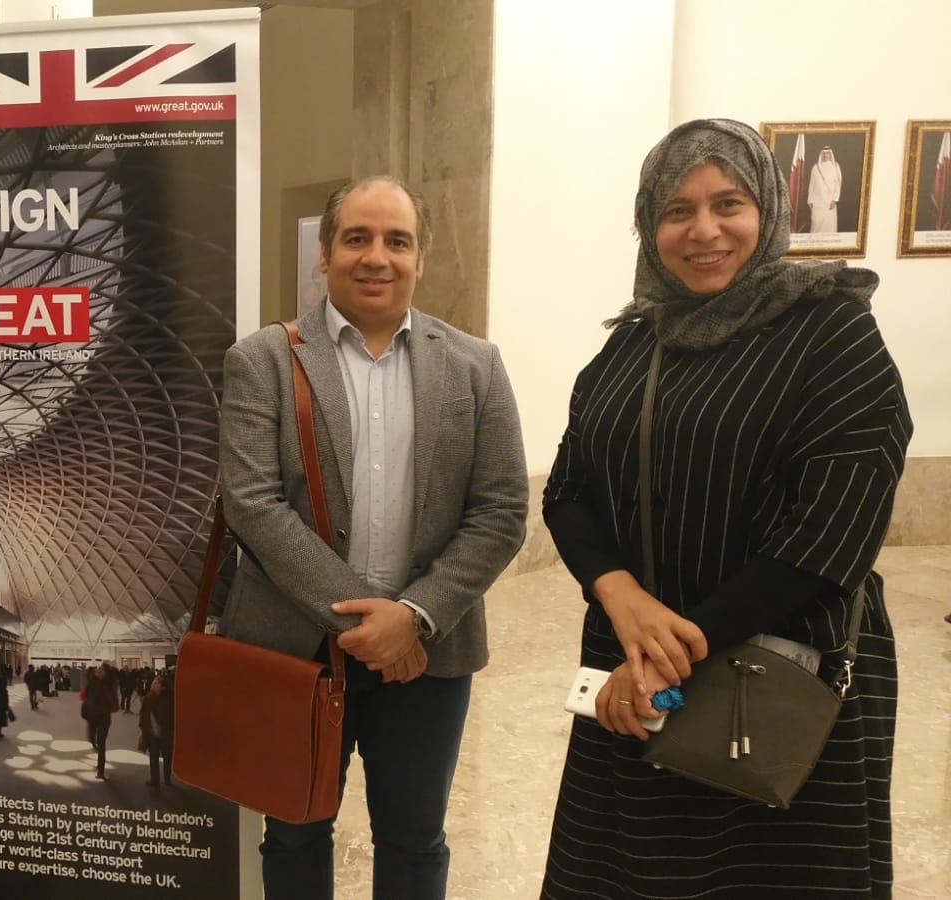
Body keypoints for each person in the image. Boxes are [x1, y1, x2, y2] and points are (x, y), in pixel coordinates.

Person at [539, 118, 911, 898]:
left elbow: (830, 532)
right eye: (677, 210)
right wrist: (622, 598)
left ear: (767, 209)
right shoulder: (633, 343)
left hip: (772, 673)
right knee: (630, 870)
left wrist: (675, 652)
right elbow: (569, 489)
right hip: (633, 666)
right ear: (650, 226)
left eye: (727, 204)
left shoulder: (832, 332)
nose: (703, 230)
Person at [218, 172, 527, 900]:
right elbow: (253, 505)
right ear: (325, 253)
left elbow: (502, 510)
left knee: (415, 841)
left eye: (397, 240)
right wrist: (369, 623)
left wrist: (413, 617)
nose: (376, 257)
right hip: (295, 649)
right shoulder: (262, 361)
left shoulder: (475, 366)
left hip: (428, 657)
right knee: (294, 834)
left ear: (421, 257)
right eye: (357, 238)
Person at [81, 662, 120, 779]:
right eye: (98, 669)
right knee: (92, 738)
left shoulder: (110, 685)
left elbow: (113, 702)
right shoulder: (92, 681)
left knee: (101, 742)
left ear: (106, 673)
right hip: (92, 716)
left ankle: (100, 770)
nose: (98, 671)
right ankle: (96, 748)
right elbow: (86, 696)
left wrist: (103, 707)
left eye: (101, 670)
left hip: (103, 717)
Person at [137, 672, 174, 790]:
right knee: (153, 757)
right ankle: (155, 780)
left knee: (167, 757)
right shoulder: (148, 698)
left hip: (165, 733)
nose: (153, 684)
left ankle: (167, 778)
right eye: (153, 682)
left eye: (157, 683)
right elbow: (143, 715)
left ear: (163, 687)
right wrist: (143, 730)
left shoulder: (168, 700)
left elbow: (168, 717)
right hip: (152, 733)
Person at [807, 145, 843, 233]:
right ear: (821, 154)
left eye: (827, 153)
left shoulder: (835, 167)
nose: (825, 155)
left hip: (830, 202)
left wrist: (835, 200)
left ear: (830, 154)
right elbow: (811, 185)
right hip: (817, 202)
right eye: (823, 153)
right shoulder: (815, 168)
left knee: (829, 225)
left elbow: (838, 184)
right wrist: (810, 200)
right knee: (816, 225)